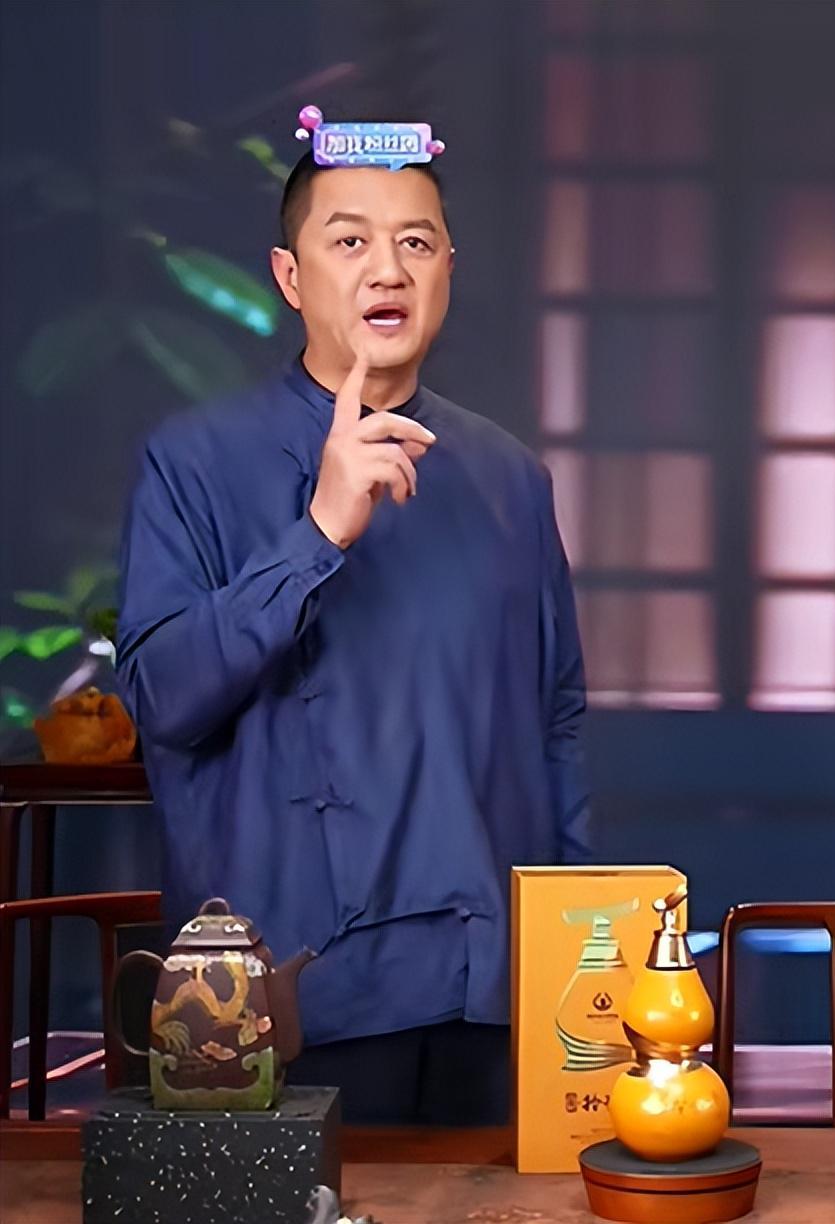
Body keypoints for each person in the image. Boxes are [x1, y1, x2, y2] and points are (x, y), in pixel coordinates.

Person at [116, 123, 591, 1124]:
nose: (388, 269)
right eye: (350, 241)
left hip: (492, 989)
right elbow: (163, 699)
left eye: (416, 242)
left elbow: (556, 726)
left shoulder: (510, 478)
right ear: (290, 277)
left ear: (449, 269)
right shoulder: (194, 460)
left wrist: (579, 949)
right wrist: (319, 532)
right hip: (290, 999)